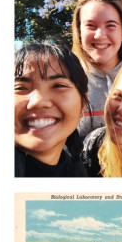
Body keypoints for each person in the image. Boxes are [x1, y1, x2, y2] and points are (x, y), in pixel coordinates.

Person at [72, 0, 122, 138]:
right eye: (90, 25)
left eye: (110, 25)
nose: (100, 35)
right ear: (79, 32)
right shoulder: (67, 81)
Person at [14, 40, 90, 177]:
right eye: (21, 88)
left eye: (58, 86)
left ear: (83, 104)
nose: (38, 102)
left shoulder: (78, 173)